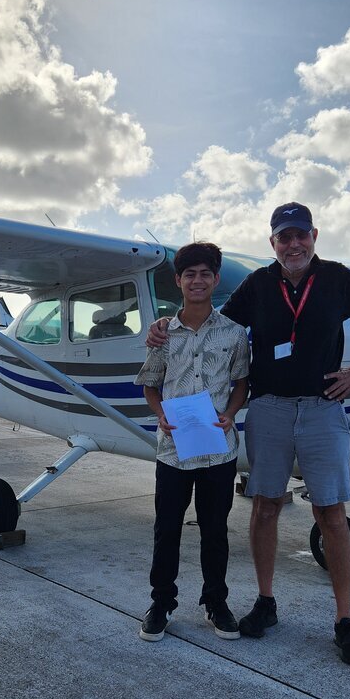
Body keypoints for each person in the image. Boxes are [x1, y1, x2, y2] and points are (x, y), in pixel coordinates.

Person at [147, 203, 350, 665]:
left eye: (301, 235)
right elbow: (211, 322)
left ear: (314, 236)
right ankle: (265, 603)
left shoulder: (338, 278)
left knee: (332, 514)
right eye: (284, 237)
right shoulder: (258, 284)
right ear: (273, 242)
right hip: (269, 408)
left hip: (323, 409)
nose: (293, 244)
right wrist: (163, 325)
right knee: (264, 507)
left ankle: (344, 621)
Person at [134, 242, 250, 642]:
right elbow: (150, 384)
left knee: (214, 530)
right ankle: (161, 602)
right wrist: (160, 414)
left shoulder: (234, 334)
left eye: (205, 274)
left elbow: (241, 383)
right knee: (167, 529)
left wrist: (232, 413)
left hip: (218, 449)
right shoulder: (163, 334)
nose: (197, 281)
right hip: (174, 451)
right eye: (189, 274)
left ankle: (216, 602)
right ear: (178, 281)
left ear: (215, 280)